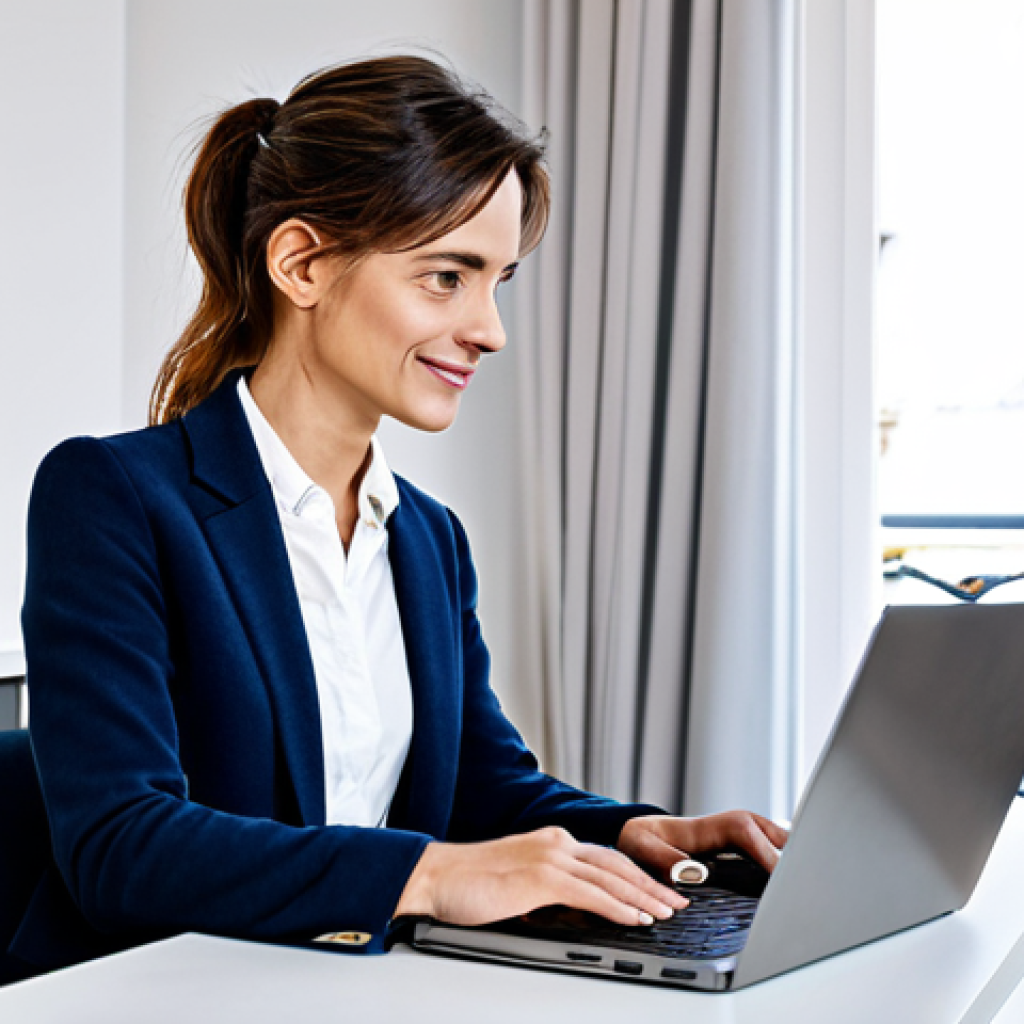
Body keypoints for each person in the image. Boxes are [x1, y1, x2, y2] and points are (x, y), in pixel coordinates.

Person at [14, 55, 786, 976]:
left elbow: (480, 789)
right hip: (147, 989)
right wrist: (428, 874)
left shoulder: (427, 537)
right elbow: (121, 846)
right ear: (301, 263)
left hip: (342, 985)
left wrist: (635, 830)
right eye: (447, 277)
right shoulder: (115, 498)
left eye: (498, 281)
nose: (490, 328)